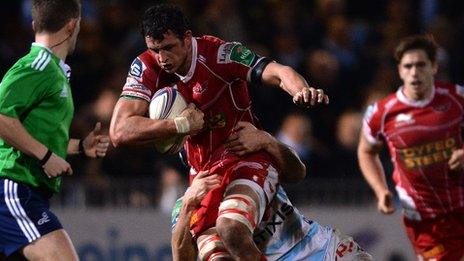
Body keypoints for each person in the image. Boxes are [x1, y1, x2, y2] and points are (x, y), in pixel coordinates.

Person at [109, 4, 328, 260]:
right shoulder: (146, 67)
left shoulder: (221, 54)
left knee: (231, 228)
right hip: (203, 173)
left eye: (168, 47)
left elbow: (278, 73)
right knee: (216, 257)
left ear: (187, 38)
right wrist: (179, 126)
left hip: (245, 157)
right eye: (154, 49)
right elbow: (119, 131)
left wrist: (300, 90)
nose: (162, 58)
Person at [0, 0, 110, 259]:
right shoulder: (38, 65)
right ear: (72, 26)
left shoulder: (53, 71)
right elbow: (2, 117)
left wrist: (80, 146)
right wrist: (46, 157)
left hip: (27, 191)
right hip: (13, 189)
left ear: (35, 24)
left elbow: (32, 133)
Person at [171, 122, 372, 260]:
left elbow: (298, 172)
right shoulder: (187, 203)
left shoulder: (249, 157)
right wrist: (188, 206)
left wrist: (268, 140)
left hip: (324, 247)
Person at [358, 34, 464, 260]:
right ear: (399, 71)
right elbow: (366, 151)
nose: (414, 72)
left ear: (434, 67)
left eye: (421, 65)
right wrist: (380, 189)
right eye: (408, 66)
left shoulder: (457, 98)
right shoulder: (381, 113)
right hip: (426, 221)